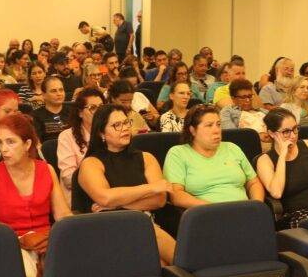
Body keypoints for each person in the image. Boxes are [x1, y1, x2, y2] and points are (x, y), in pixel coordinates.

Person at [0, 113, 70, 277]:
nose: (4, 149)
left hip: (46, 242)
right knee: (27, 275)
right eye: (0, 142)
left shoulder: (47, 170)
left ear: (27, 144)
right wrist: (5, 233)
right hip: (11, 244)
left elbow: (63, 215)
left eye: (11, 142)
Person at [77, 104, 176, 264]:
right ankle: (189, 269)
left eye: (126, 122)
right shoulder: (91, 163)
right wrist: (150, 188)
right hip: (108, 228)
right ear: (101, 133)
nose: (124, 128)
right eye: (116, 125)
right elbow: (105, 198)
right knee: (156, 254)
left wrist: (117, 204)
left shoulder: (146, 158)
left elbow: (159, 199)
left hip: (146, 223)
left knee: (159, 259)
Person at [164, 104, 265, 207]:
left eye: (218, 124)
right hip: (205, 213)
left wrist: (256, 206)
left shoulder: (232, 148)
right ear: (193, 130)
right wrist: (213, 210)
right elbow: (176, 195)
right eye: (209, 125)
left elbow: (253, 183)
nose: (216, 130)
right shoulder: (178, 153)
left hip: (244, 210)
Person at [257, 108, 308, 226]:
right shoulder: (265, 160)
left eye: (295, 129)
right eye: (286, 132)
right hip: (296, 214)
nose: (293, 136)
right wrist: (283, 155)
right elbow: (276, 192)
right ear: (272, 133)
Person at [56, 88, 105, 197]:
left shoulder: (109, 133)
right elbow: (69, 179)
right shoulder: (66, 137)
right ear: (80, 113)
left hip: (110, 192)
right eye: (93, 108)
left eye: (101, 107)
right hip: (80, 195)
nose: (99, 112)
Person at [220, 79, 270, 149]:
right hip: (248, 147)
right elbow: (231, 135)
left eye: (249, 96)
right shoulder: (227, 111)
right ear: (233, 98)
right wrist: (256, 136)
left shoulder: (263, 111)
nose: (247, 100)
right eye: (243, 97)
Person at [31, 75, 69, 142]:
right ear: (44, 95)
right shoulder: (36, 115)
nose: (59, 94)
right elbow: (37, 142)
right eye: (54, 91)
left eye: (61, 90)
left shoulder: (73, 112)